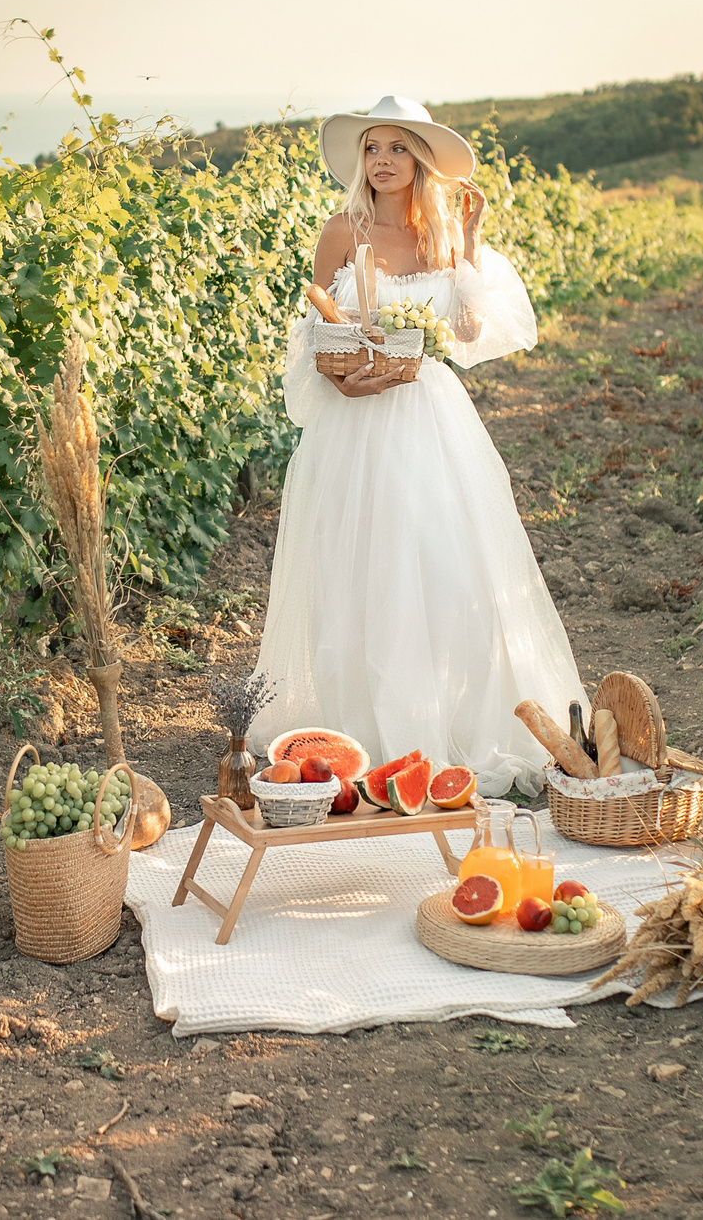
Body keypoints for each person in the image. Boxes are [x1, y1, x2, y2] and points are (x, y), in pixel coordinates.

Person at [248, 97, 588, 796]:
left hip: (428, 421)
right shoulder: (340, 230)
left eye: (399, 147)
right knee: (358, 573)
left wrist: (469, 239)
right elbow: (316, 329)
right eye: (373, 146)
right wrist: (341, 380)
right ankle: (359, 734)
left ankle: (449, 721)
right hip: (354, 426)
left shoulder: (439, 234)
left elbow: (463, 335)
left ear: (419, 161)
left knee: (446, 570)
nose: (382, 159)